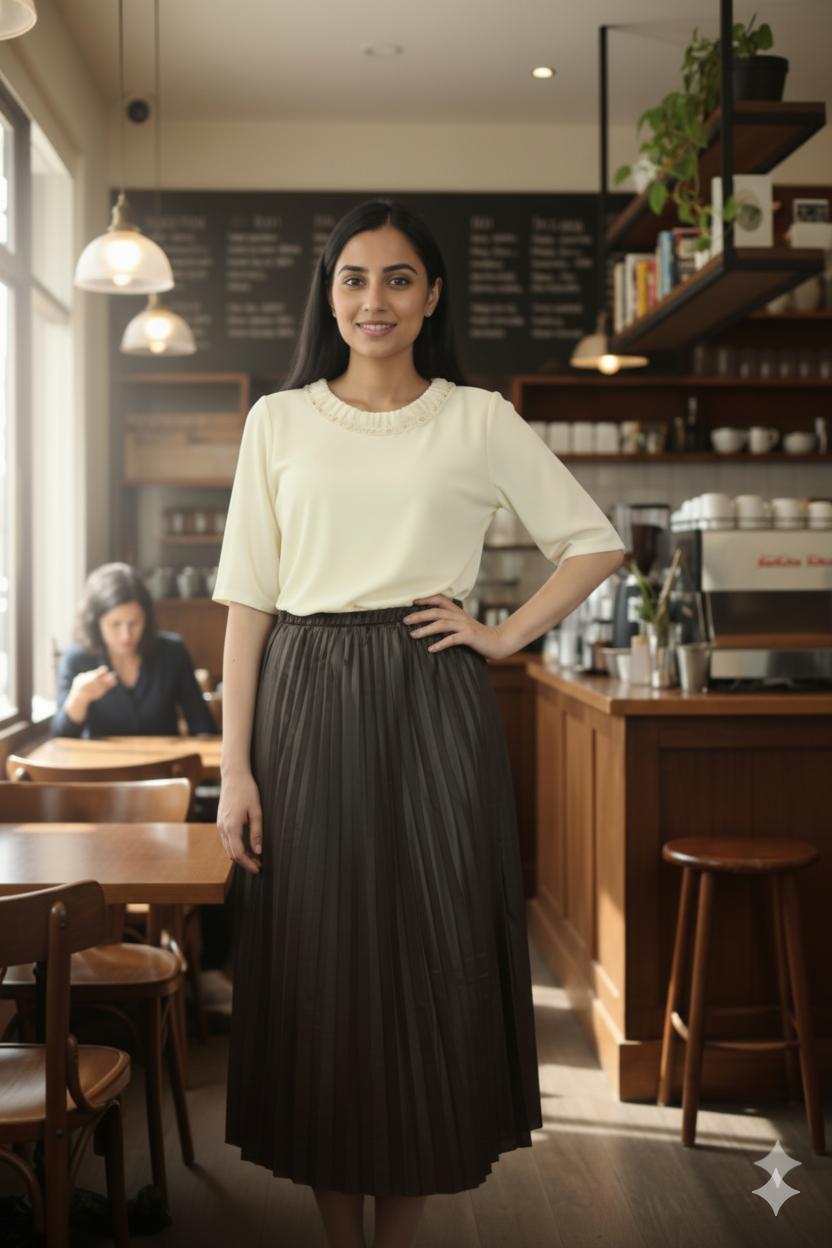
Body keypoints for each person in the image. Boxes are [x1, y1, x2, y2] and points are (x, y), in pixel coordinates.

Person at [213, 199, 623, 1248]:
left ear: (432, 295)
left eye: (398, 279)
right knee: (317, 965)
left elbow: (593, 542)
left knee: (430, 961)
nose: (373, 300)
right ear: (329, 294)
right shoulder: (278, 420)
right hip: (302, 699)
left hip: (430, 695)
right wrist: (237, 769)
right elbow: (248, 603)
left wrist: (502, 634)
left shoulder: (477, 416)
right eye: (353, 278)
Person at [53, 562, 216, 738]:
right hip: (100, 764)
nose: (126, 635)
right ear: (95, 622)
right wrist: (80, 697)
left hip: (163, 763)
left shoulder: (172, 651)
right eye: (115, 624)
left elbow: (202, 724)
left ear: (147, 618)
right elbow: (62, 736)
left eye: (134, 623)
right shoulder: (77, 658)